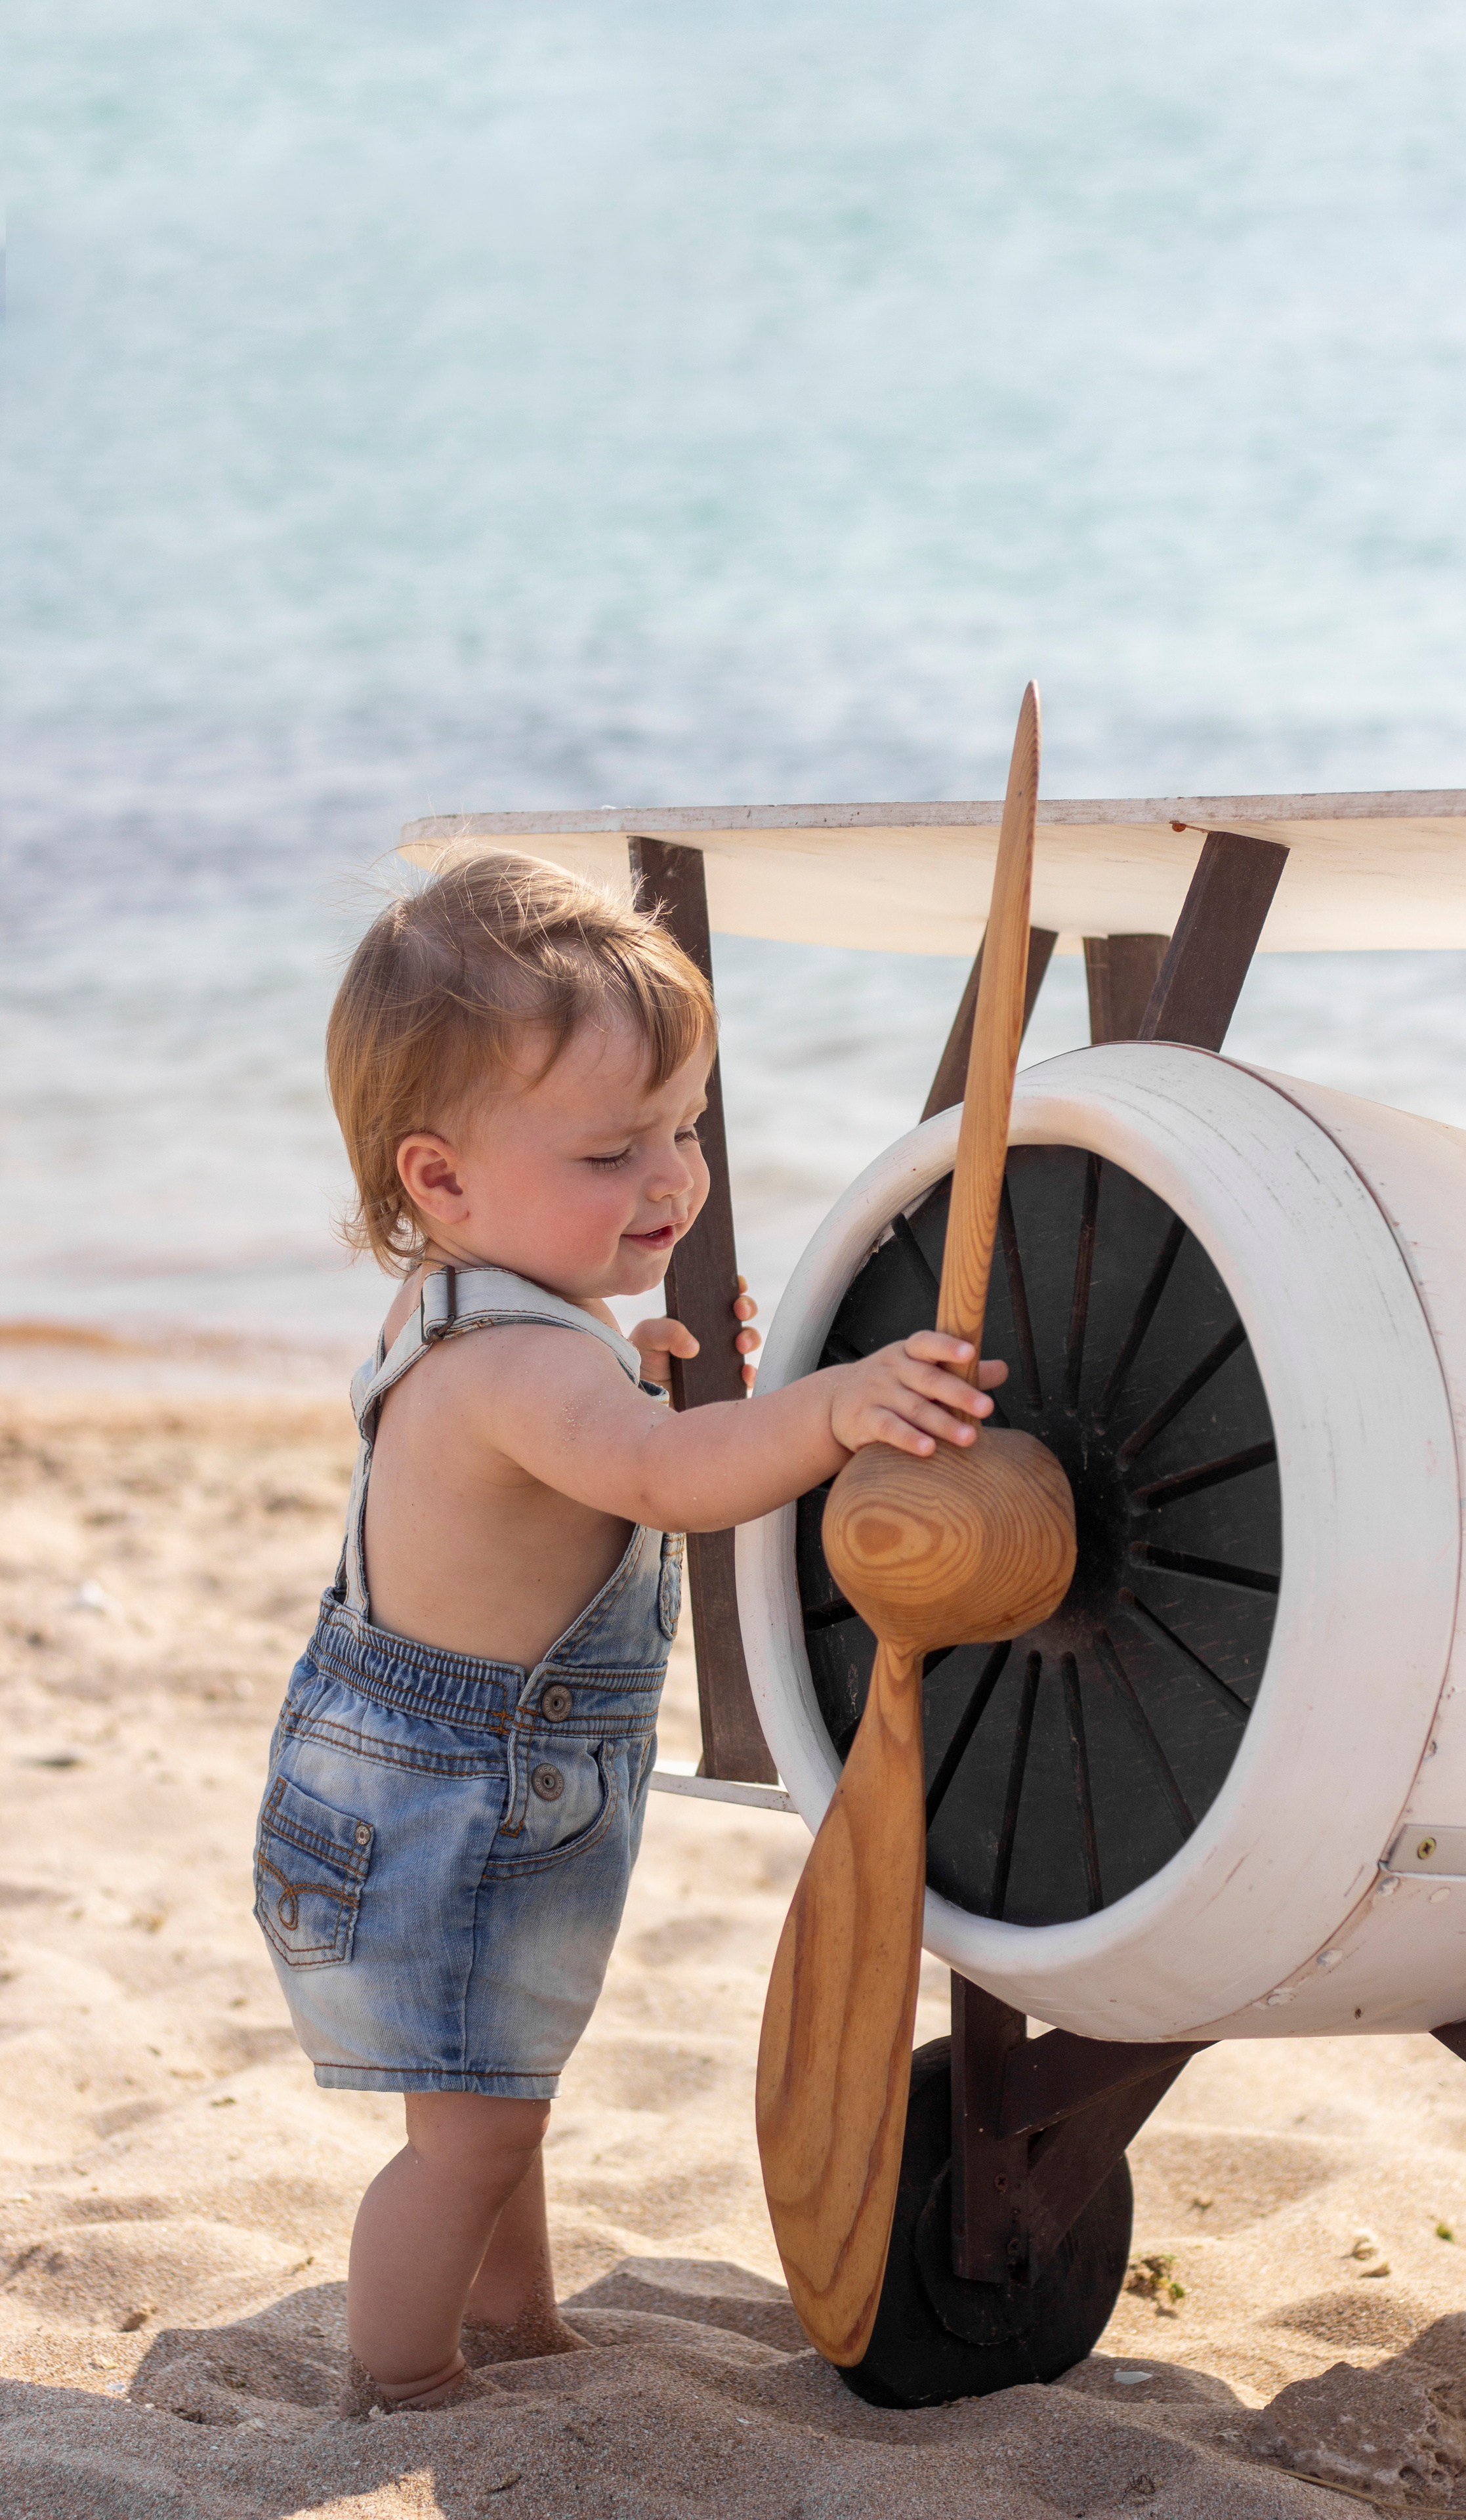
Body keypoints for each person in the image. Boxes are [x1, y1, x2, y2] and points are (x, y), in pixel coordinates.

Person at [253, 848, 1005, 2412]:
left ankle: (516, 2325)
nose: (669, 1182)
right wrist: (826, 1408)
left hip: (427, 1780)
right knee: (465, 2134)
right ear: (438, 1180)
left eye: (686, 1131)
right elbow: (662, 1481)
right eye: (610, 1154)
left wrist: (645, 1364)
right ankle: (396, 2377)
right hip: (460, 1804)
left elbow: (589, 1453)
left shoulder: (481, 1310)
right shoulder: (523, 1369)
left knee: (491, 2100)